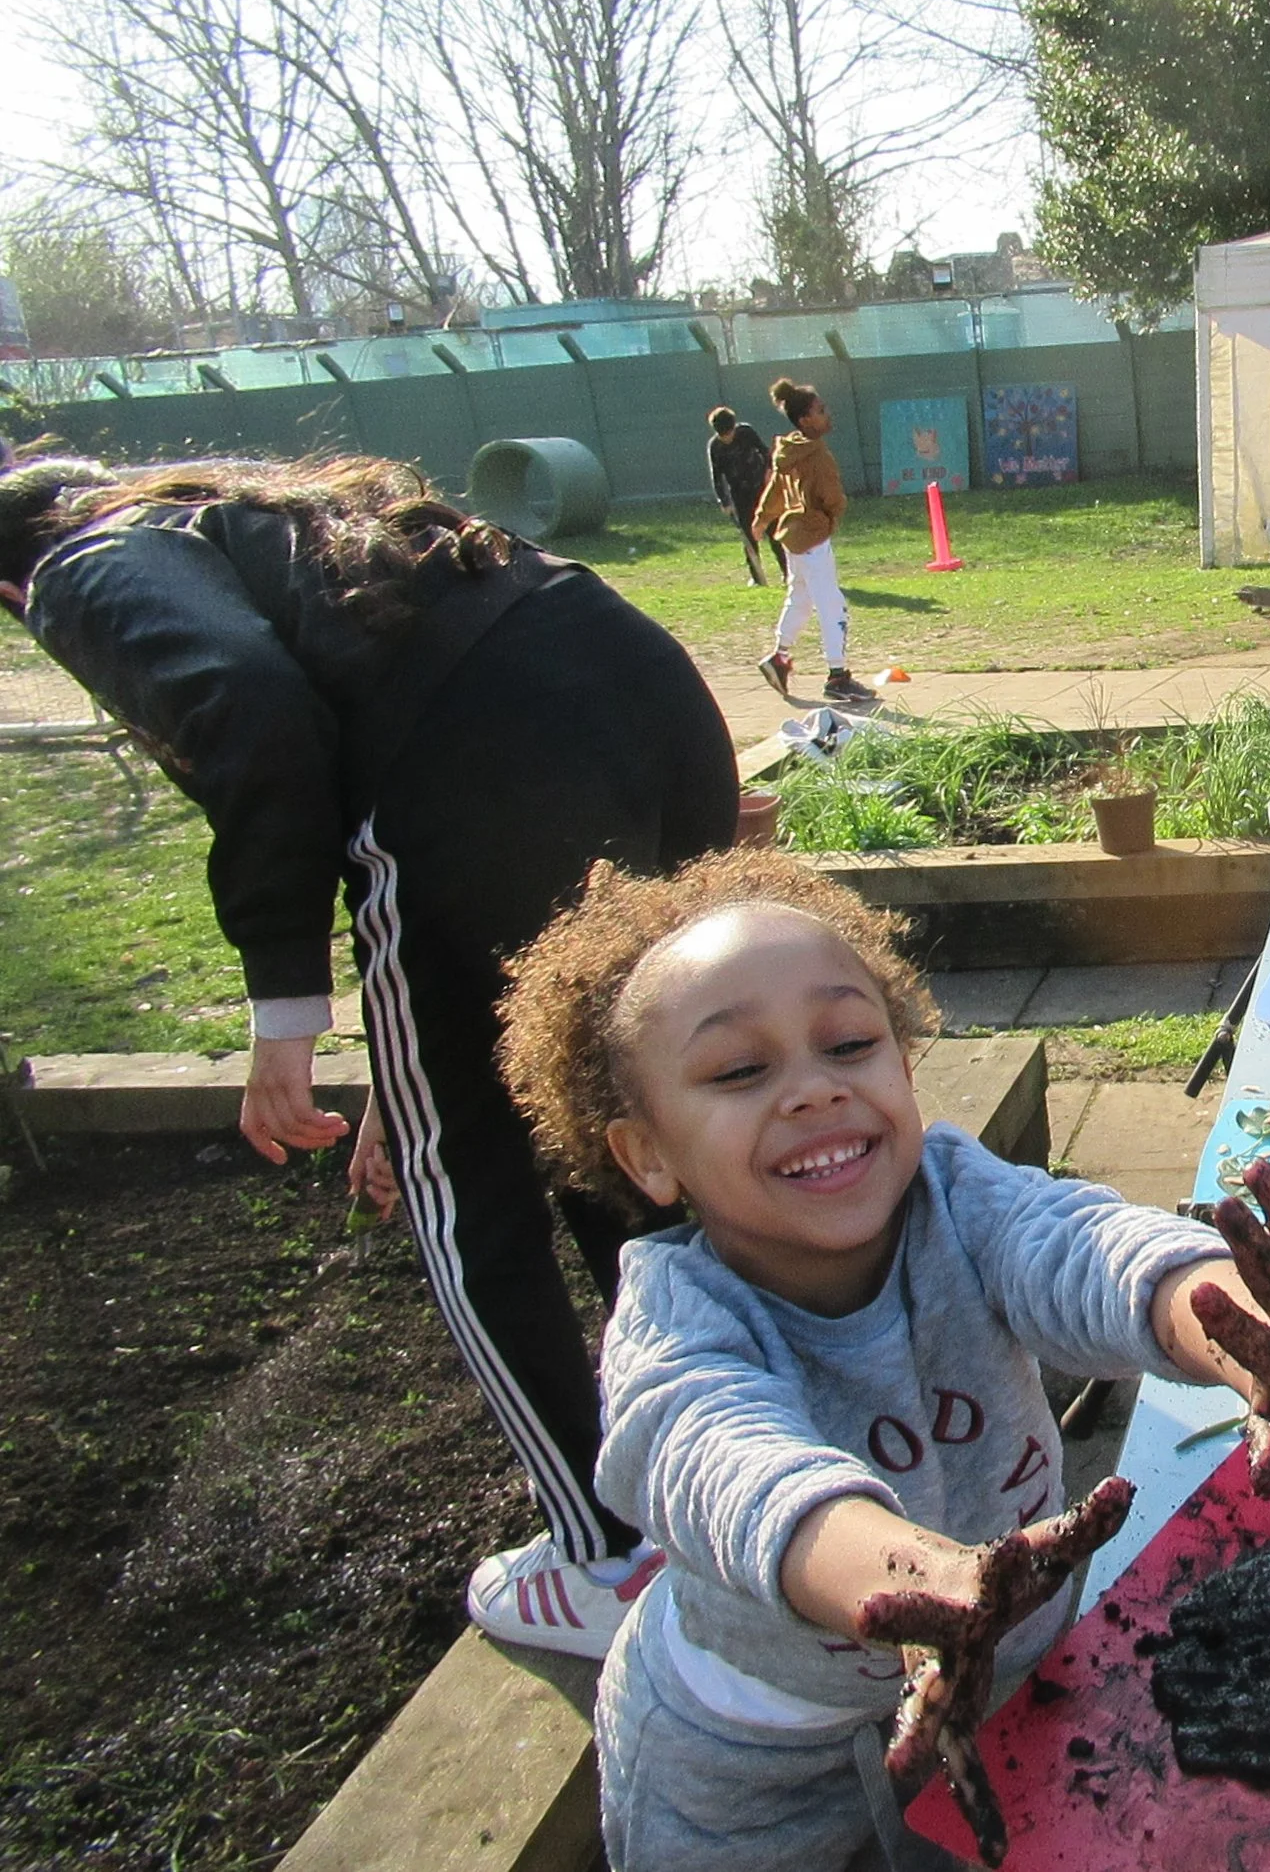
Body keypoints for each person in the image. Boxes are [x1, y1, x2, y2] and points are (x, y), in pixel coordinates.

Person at [494, 847, 1270, 1871]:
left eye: (848, 1044)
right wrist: (922, 1581)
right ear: (646, 1154)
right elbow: (733, 1467)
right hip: (756, 1773)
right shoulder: (672, 1324)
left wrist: (1242, 1332)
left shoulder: (959, 1201)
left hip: (1002, 1685)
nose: (812, 1091)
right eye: (740, 1070)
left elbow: (1086, 1250)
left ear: (906, 1070)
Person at [0, 453, 739, 1659]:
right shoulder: (257, 512)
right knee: (632, 1122)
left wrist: (282, 1015)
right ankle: (749, 1451)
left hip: (479, 752)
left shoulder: (79, 561)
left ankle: (607, 1557)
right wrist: (410, 1068)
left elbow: (254, 708)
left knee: (473, 1193)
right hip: (630, 677)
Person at [752, 377, 870, 706]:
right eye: (821, 410)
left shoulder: (788, 450)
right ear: (805, 420)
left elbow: (776, 488)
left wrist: (762, 517)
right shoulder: (816, 454)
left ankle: (779, 658)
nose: (827, 414)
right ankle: (838, 676)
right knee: (832, 604)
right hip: (814, 536)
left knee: (800, 598)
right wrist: (832, 517)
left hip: (793, 537)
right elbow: (832, 495)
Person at [707, 406, 782, 587]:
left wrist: (769, 472)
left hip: (761, 488)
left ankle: (787, 572)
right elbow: (717, 475)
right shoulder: (715, 447)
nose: (727, 438)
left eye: (729, 433)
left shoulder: (746, 432)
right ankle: (757, 577)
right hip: (739, 494)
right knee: (748, 536)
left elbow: (765, 452)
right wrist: (724, 501)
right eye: (723, 435)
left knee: (773, 530)